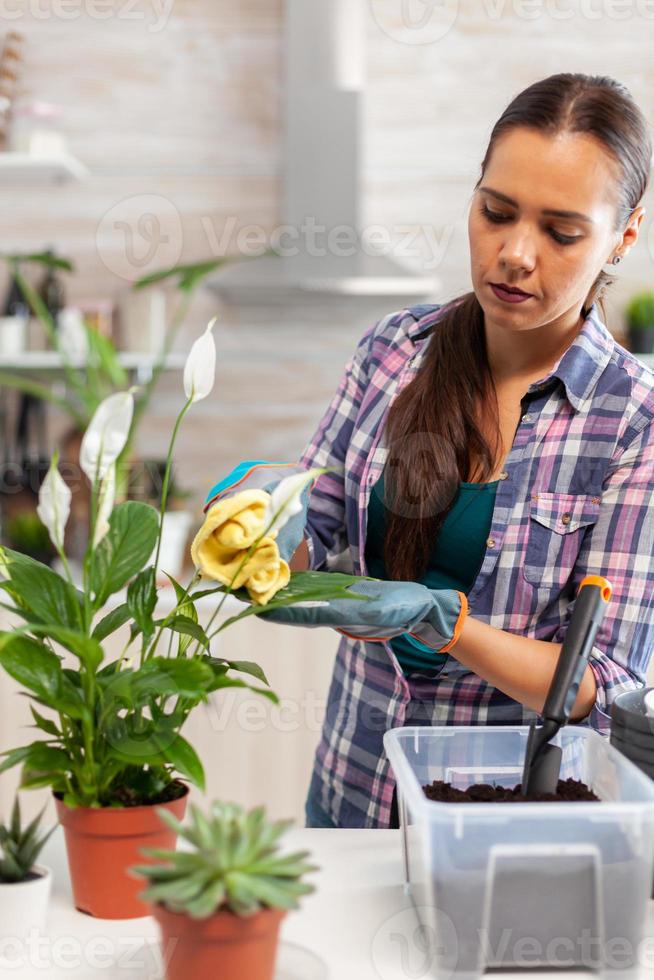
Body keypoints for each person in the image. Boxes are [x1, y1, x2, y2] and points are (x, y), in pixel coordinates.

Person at [206, 73, 654, 829]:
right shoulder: (393, 351)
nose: (514, 253)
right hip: (350, 789)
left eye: (560, 231)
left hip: (500, 822)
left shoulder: (633, 420)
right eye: (496, 212)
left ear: (624, 235)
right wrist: (261, 509)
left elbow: (601, 680)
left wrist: (445, 624)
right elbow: (315, 525)